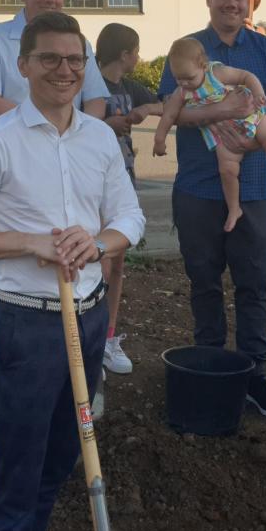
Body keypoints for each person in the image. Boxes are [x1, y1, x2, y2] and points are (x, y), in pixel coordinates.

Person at [0, 11, 145, 531]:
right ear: (24, 64)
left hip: (90, 318)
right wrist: (28, 243)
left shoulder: (99, 138)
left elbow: (130, 218)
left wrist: (97, 244)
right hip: (27, 325)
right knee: (20, 463)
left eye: (74, 59)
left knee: (65, 453)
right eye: (50, 58)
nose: (64, 70)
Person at [0, 0, 109, 424]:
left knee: (85, 261)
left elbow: (95, 99)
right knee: (4, 277)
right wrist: (41, 126)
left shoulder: (76, 41)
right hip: (17, 167)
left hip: (71, 156)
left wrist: (79, 136)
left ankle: (81, 375)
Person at [158, 0, 266, 419]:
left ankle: (255, 373)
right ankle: (210, 363)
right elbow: (172, 111)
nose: (232, 4)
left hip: (255, 185)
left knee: (255, 282)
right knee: (203, 281)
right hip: (199, 187)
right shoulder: (186, 50)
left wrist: (261, 138)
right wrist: (225, 109)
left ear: (249, 2)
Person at [154, 37, 266, 232]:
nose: (184, 83)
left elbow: (246, 76)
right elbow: (169, 115)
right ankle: (234, 209)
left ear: (203, 65)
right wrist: (159, 139)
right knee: (227, 170)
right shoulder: (181, 92)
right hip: (224, 135)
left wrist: (258, 93)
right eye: (178, 79)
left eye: (189, 78)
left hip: (251, 116)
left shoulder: (216, 73)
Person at [94, 23, 163, 375]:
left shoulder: (129, 88)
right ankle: (88, 340)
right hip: (93, 185)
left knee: (117, 264)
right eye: (136, 51)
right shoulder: (90, 86)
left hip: (124, 181)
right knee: (98, 263)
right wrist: (109, 124)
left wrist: (146, 109)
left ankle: (107, 336)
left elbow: (166, 103)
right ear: (124, 54)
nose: (138, 57)